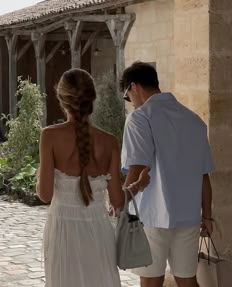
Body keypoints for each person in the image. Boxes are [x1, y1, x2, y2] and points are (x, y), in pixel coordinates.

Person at [36, 68, 150, 287]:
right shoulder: (109, 142)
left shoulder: (49, 136)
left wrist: (40, 174)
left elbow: (44, 194)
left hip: (63, 231)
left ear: (61, 98)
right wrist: (139, 185)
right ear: (92, 99)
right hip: (98, 231)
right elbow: (117, 202)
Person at [120, 62, 214, 287]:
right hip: (188, 214)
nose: (129, 102)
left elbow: (136, 168)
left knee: (151, 281)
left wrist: (120, 203)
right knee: (188, 280)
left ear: (133, 87)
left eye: (127, 96)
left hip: (152, 213)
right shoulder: (194, 120)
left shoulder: (140, 118)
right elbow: (204, 175)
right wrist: (207, 216)